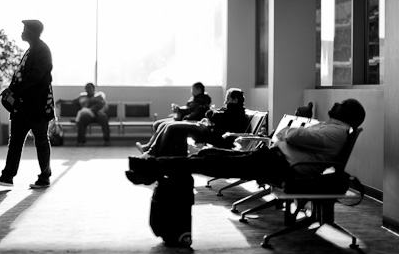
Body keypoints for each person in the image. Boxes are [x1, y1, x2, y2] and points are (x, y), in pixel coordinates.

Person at [127, 99, 366, 186]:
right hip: (275, 158)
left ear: (349, 115)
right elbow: (293, 136)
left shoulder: (336, 131)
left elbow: (291, 135)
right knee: (207, 157)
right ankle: (152, 167)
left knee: (209, 160)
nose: (337, 104)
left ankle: (151, 168)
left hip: (282, 165)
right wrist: (285, 136)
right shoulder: (331, 127)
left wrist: (286, 135)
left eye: (343, 104)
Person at [0, 19, 55, 189]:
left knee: (41, 141)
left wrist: (14, 90)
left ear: (32, 33)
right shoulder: (31, 50)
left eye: (25, 29)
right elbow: (25, 77)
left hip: (37, 107)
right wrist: (13, 91)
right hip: (23, 106)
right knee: (15, 142)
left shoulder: (42, 50)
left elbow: (35, 77)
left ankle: (44, 177)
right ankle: (7, 177)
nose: (22, 32)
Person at [143, 88, 248, 156]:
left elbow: (214, 115)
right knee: (173, 127)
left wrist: (212, 117)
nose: (225, 102)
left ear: (235, 100)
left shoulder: (237, 113)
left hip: (210, 134)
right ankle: (160, 156)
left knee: (172, 127)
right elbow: (214, 115)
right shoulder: (232, 110)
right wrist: (211, 118)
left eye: (228, 99)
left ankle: (154, 156)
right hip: (206, 128)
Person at [136, 82, 211, 152]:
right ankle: (154, 147)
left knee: (163, 125)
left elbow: (193, 114)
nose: (191, 91)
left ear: (199, 90)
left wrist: (180, 114)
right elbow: (188, 109)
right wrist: (178, 110)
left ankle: (152, 148)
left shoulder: (202, 102)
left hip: (188, 120)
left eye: (193, 89)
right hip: (182, 117)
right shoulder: (195, 99)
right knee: (157, 124)